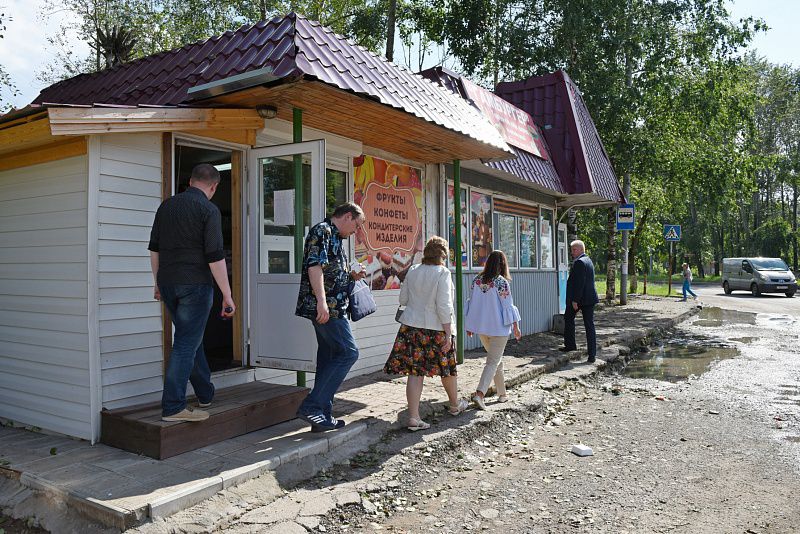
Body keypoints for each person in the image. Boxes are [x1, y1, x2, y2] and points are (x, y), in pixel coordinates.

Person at [148, 163, 236, 422]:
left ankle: (205, 392)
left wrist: (157, 283)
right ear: (213, 186)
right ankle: (173, 407)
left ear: (190, 182)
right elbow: (215, 256)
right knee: (186, 343)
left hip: (168, 282)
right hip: (195, 285)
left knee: (190, 338)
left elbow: (154, 249)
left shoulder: (166, 207)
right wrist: (227, 295)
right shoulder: (208, 209)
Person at [384, 236, 469, 431]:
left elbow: (403, 298)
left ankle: (414, 417)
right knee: (447, 368)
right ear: (443, 255)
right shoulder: (443, 273)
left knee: (415, 372)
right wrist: (448, 334)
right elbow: (444, 305)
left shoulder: (413, 270)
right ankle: (455, 405)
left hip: (411, 328)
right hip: (436, 329)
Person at [295, 202, 367, 431]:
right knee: (349, 352)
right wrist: (322, 302)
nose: (356, 231)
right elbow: (314, 267)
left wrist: (352, 275)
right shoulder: (322, 231)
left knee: (329, 356)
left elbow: (331, 272)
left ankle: (322, 416)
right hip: (328, 308)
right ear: (347, 216)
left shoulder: (336, 237)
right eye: (357, 225)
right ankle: (312, 407)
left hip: (335, 306)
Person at [464, 250, 522, 410]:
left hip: (482, 329)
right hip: (498, 329)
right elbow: (508, 306)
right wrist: (516, 327)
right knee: (492, 362)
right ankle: (480, 394)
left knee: (496, 360)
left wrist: (470, 325)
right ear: (503, 264)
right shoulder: (502, 282)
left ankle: (502, 394)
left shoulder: (476, 280)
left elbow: (472, 304)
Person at [560, 240, 599, 363]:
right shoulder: (588, 260)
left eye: (574, 250)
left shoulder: (580, 262)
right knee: (585, 324)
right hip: (588, 298)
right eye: (571, 250)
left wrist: (575, 300)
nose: (572, 252)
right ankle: (584, 351)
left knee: (582, 323)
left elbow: (580, 284)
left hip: (581, 299)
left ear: (582, 249)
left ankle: (585, 352)